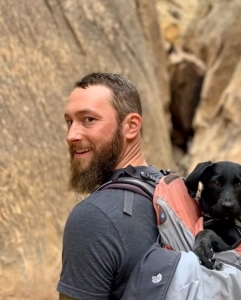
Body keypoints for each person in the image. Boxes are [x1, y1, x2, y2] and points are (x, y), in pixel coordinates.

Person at [57, 73, 161, 300]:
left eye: (88, 120)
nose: (71, 135)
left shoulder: (93, 218)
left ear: (131, 126)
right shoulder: (173, 188)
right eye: (69, 122)